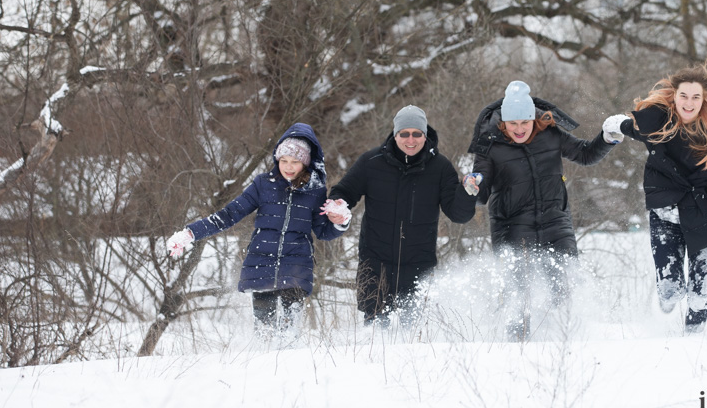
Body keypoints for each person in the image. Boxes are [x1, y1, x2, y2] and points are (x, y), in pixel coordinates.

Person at [603, 64, 707, 334]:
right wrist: (618, 124)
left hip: (706, 211)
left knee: (700, 290)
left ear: (704, 99)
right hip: (667, 211)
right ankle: (663, 318)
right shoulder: (659, 122)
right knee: (671, 289)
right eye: (683, 96)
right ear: (674, 97)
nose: (689, 102)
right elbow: (637, 129)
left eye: (695, 97)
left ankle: (693, 341)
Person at [463, 81, 617, 339]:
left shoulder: (551, 134)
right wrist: (473, 187)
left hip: (556, 223)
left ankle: (562, 347)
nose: (520, 129)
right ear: (503, 123)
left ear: (534, 119)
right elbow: (482, 188)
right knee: (518, 295)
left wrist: (607, 139)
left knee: (563, 287)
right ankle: (517, 348)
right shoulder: (490, 145)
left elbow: (585, 154)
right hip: (511, 227)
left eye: (525, 122)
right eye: (513, 124)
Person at [166, 123, 349, 332]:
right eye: (284, 160)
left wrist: (340, 222)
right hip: (261, 266)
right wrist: (190, 233)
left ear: (306, 163)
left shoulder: (315, 191)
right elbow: (229, 214)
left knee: (291, 334)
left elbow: (324, 232)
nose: (288, 167)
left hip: (297, 268)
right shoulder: (263, 184)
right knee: (265, 333)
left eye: (295, 162)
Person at [323, 105, 476, 326]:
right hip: (375, 264)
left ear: (425, 135)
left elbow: (458, 214)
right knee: (376, 333)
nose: (410, 140)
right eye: (404, 134)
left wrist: (467, 194)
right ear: (395, 135)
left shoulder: (440, 167)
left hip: (418, 265)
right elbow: (344, 191)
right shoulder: (371, 162)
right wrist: (338, 206)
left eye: (417, 134)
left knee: (411, 336)